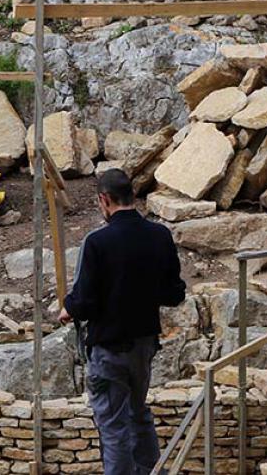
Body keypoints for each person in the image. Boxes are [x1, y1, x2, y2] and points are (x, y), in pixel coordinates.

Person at [58, 169, 186, 475]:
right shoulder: (159, 235)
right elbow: (174, 293)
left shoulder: (97, 242)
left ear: (104, 200)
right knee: (138, 413)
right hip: (144, 345)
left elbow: (85, 302)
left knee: (113, 426)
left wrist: (68, 308)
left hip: (109, 348)